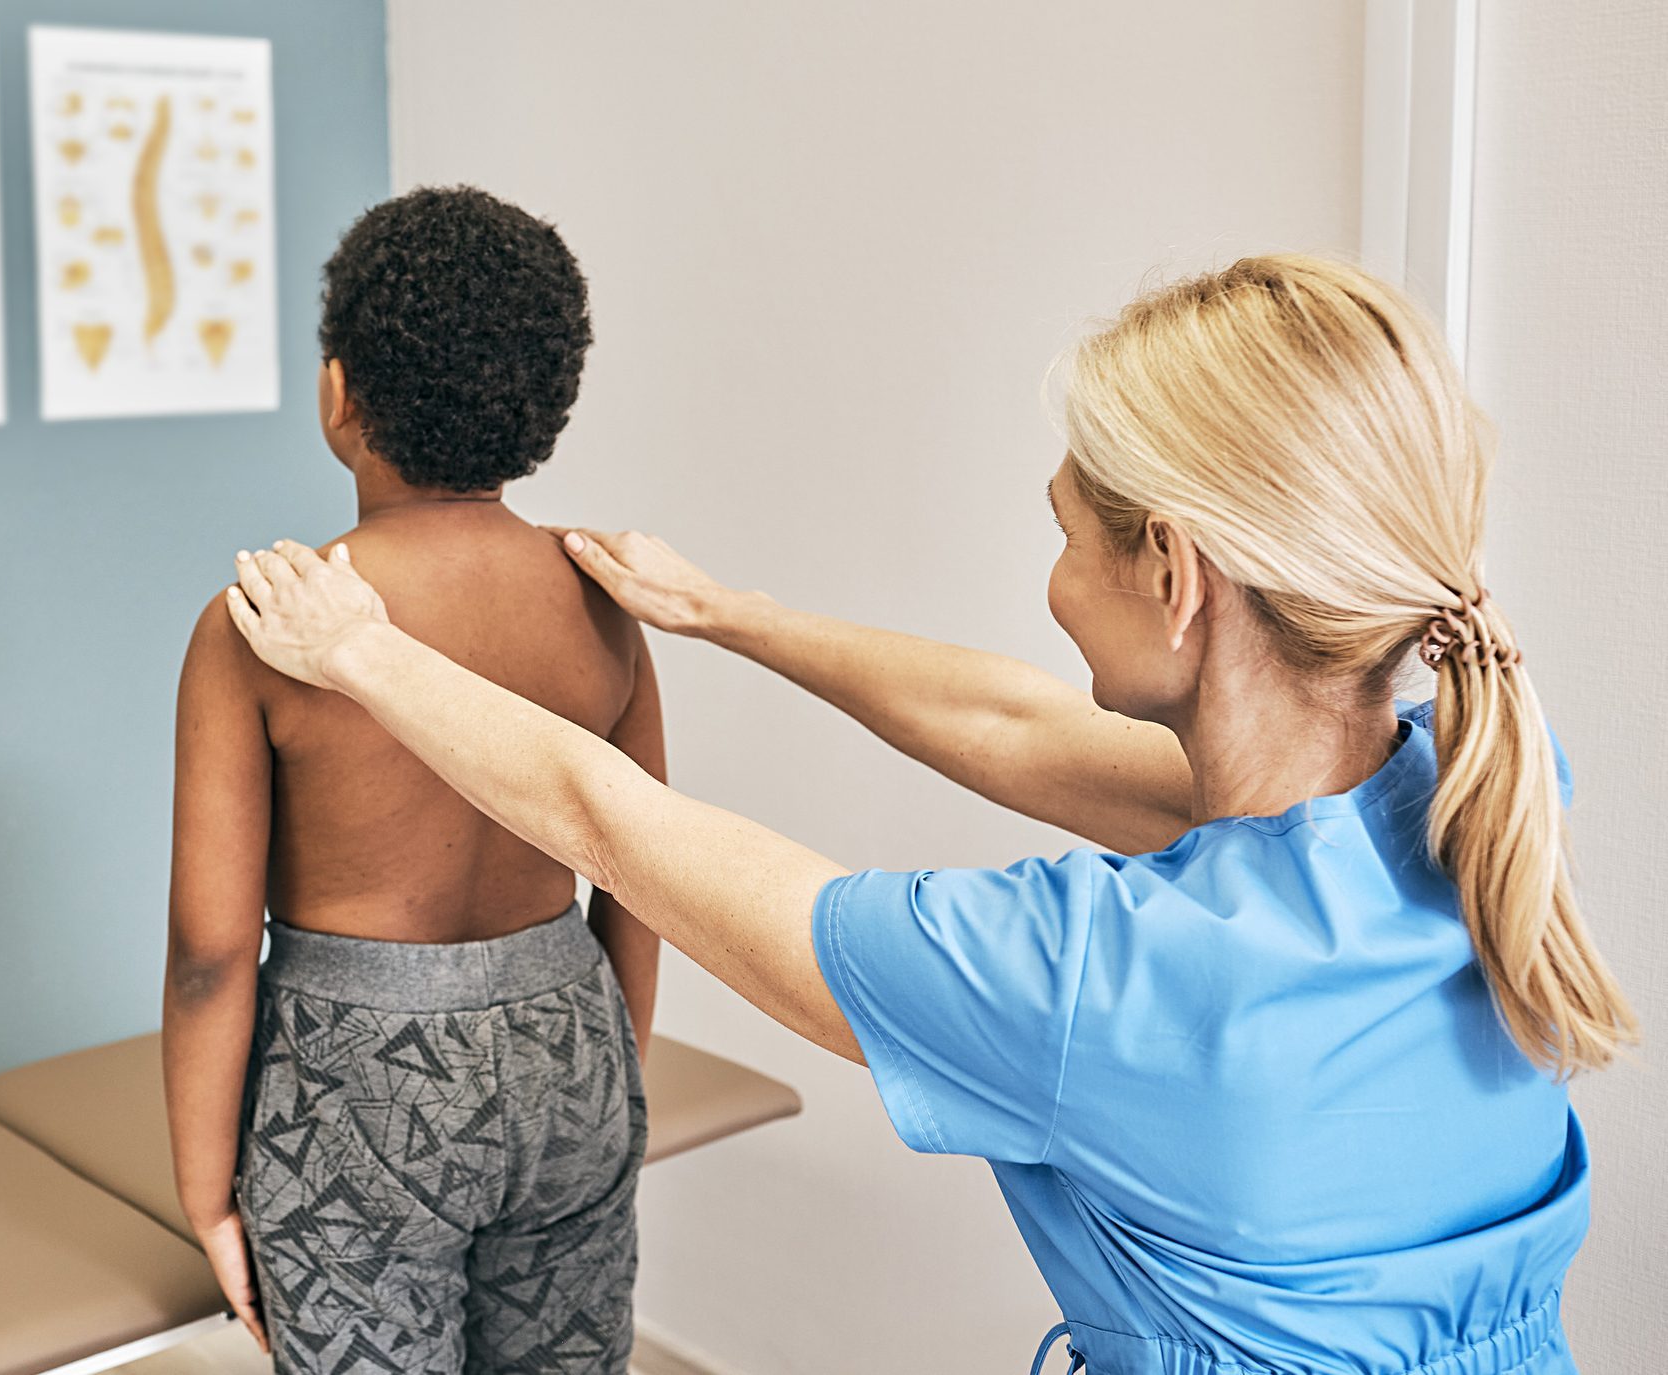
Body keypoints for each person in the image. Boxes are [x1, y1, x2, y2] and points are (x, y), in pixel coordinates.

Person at [223, 254, 1638, 1375]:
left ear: (1174, 572)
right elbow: (1020, 725)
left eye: (1066, 535)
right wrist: (731, 616)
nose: (1049, 578)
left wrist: (357, 646)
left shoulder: (1099, 977)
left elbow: (608, 820)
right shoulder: (1470, 773)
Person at [164, 186, 660, 1375]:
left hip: (354, 1081)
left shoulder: (261, 627)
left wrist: (206, 1193)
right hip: (571, 1032)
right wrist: (612, 1081)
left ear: (341, 394)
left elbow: (210, 952)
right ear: (546, 403)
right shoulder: (603, 602)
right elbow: (641, 875)